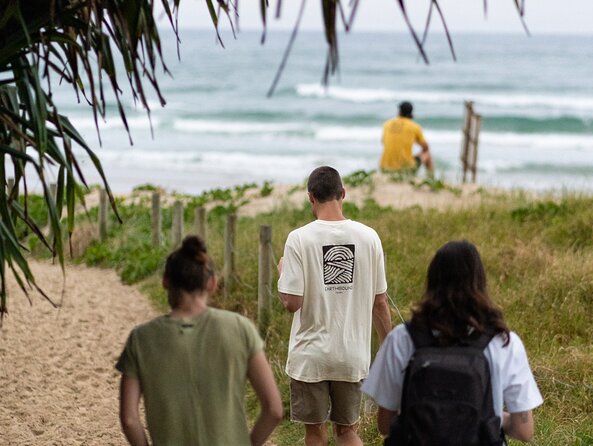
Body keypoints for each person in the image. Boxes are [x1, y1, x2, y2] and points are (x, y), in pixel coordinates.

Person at [362, 240, 543, 444]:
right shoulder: (504, 342)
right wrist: (491, 419)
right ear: (481, 282)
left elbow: (385, 425)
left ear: (431, 280)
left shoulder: (402, 338)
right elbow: (524, 430)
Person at [116, 236, 283, 446]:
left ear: (166, 281)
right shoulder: (241, 328)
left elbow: (129, 419)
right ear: (212, 283)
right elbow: (274, 409)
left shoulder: (141, 339)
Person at [277, 166, 392, 446]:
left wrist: (282, 274)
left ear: (310, 197)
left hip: (311, 355)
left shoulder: (299, 239)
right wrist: (388, 348)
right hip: (352, 355)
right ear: (343, 194)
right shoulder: (369, 237)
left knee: (315, 433)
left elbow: (292, 303)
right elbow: (380, 302)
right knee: (347, 432)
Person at [380, 101, 434, 175]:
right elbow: (426, 147)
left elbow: (383, 142)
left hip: (384, 168)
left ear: (399, 112)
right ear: (411, 113)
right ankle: (431, 179)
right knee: (427, 154)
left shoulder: (387, 124)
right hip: (404, 169)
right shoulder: (414, 127)